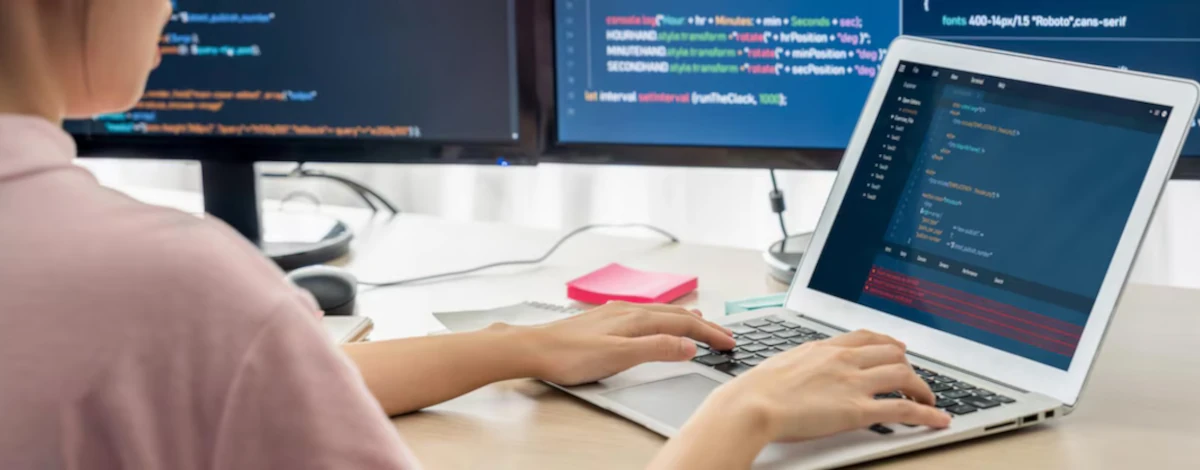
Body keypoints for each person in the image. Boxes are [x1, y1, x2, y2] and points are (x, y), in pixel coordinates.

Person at [0, 1, 949, 468]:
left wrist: (512, 347)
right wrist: (737, 419)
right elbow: (202, 356)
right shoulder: (174, 289)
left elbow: (208, 383)